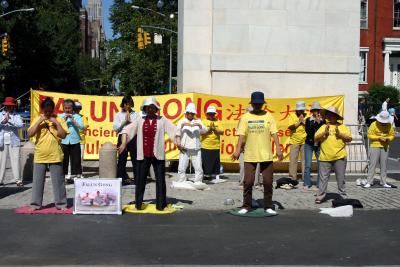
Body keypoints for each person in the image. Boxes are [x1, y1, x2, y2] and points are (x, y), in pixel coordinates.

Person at [118, 98, 176, 211]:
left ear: (156, 109)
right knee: (140, 179)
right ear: (145, 109)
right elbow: (126, 130)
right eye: (148, 107)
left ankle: (161, 205)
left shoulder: (162, 120)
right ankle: (138, 205)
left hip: (158, 154)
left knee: (160, 180)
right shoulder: (140, 120)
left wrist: (178, 143)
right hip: (143, 155)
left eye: (152, 107)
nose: (150, 109)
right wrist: (124, 143)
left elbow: (174, 130)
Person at [232, 91, 284, 215]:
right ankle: (247, 205)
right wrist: (237, 150)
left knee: (267, 181)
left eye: (259, 104)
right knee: (248, 181)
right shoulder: (245, 117)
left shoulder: (268, 116)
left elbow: (274, 133)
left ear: (262, 104)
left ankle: (268, 205)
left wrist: (278, 148)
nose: (257, 106)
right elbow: (241, 135)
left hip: (266, 154)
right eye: (255, 104)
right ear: (252, 103)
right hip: (250, 154)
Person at [28, 97, 69, 210]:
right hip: (40, 154)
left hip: (55, 154)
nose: (48, 113)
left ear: (53, 109)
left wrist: (56, 123)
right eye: (46, 111)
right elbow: (30, 134)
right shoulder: (37, 118)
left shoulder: (59, 119)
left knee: (58, 181)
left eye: (50, 111)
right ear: (42, 110)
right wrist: (39, 122)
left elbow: (63, 135)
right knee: (37, 181)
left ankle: (61, 204)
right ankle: (35, 204)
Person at [314, 106, 352, 204]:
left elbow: (349, 139)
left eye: (333, 115)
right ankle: (320, 196)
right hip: (325, 157)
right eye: (329, 115)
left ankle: (342, 195)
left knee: (341, 178)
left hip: (339, 156)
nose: (331, 117)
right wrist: (324, 133)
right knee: (323, 179)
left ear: (336, 116)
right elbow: (316, 138)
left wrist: (340, 135)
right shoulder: (323, 127)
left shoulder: (342, 127)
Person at [176, 103, 207, 184]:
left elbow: (205, 131)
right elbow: (177, 132)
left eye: (192, 113)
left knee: (198, 166)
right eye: (189, 113)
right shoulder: (181, 121)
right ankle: (182, 180)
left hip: (196, 148)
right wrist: (183, 125)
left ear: (194, 114)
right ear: (186, 113)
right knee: (182, 166)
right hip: (184, 147)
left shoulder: (198, 121)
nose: (190, 114)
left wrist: (199, 125)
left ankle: (198, 181)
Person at [364, 111, 395, 188]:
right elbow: (369, 135)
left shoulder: (389, 125)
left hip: (385, 146)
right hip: (375, 146)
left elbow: (392, 135)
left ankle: (383, 182)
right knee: (372, 164)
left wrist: (388, 139)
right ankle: (369, 181)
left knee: (384, 165)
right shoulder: (373, 124)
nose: (383, 123)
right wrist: (378, 138)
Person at [113, 95, 138, 185]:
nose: (128, 106)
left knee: (135, 159)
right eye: (126, 104)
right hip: (121, 137)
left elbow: (137, 126)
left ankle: (137, 179)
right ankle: (121, 179)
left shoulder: (136, 114)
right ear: (123, 105)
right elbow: (115, 129)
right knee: (122, 159)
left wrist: (130, 122)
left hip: (133, 138)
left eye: (129, 104)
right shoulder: (118, 115)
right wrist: (124, 122)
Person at [0, 97, 24, 187]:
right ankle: (0, 179)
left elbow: (20, 125)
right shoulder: (0, 114)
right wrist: (3, 121)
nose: (9, 107)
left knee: (16, 159)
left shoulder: (16, 116)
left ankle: (18, 180)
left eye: (11, 106)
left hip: (13, 140)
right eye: (8, 106)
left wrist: (9, 120)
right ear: (5, 106)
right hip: (2, 139)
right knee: (1, 160)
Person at [60, 99, 84, 184]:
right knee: (64, 159)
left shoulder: (77, 116)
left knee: (76, 159)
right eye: (65, 108)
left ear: (72, 108)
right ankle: (64, 176)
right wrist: (64, 119)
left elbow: (81, 127)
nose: (67, 110)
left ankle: (76, 175)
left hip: (75, 140)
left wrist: (73, 120)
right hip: (64, 140)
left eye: (69, 108)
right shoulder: (60, 116)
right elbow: (58, 126)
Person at [303, 102, 325, 191]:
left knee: (320, 164)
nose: (316, 112)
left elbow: (322, 131)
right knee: (308, 165)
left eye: (317, 110)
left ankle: (319, 184)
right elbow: (308, 132)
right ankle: (307, 183)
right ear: (312, 111)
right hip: (309, 144)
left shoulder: (323, 121)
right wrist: (315, 123)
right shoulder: (308, 120)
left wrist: (319, 123)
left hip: (319, 144)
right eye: (314, 110)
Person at [201, 105, 224, 183]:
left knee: (215, 162)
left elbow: (222, 132)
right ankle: (206, 175)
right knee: (205, 162)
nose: (211, 115)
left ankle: (216, 175)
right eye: (209, 113)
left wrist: (215, 129)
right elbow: (201, 132)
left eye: (212, 114)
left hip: (215, 146)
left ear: (215, 114)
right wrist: (209, 129)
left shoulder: (218, 121)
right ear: (207, 114)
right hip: (205, 145)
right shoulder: (203, 121)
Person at [288, 101, 307, 180]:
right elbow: (290, 127)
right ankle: (292, 178)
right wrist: (299, 122)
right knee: (293, 160)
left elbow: (310, 127)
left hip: (305, 141)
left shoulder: (307, 116)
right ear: (296, 110)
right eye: (299, 110)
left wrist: (304, 122)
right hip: (294, 141)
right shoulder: (292, 116)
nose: (301, 111)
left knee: (305, 161)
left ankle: (305, 178)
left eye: (302, 110)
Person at [74, 101, 88, 178]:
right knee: (70, 158)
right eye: (75, 109)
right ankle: (70, 174)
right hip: (71, 139)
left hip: (81, 140)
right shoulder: (69, 116)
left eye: (78, 109)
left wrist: (78, 125)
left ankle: (79, 173)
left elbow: (85, 127)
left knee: (80, 157)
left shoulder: (83, 117)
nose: (77, 110)